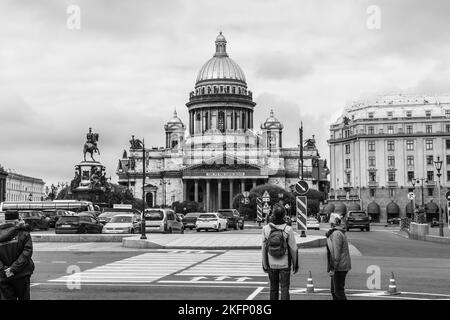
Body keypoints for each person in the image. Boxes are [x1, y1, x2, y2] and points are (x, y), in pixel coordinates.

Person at [262, 204, 299, 300]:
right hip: (285, 264)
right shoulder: (288, 229)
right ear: (284, 215)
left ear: (273, 214)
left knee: (273, 289)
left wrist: (265, 265)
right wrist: (295, 264)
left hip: (271, 264)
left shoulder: (266, 229)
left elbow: (264, 249)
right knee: (284, 288)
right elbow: (293, 248)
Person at [0, 211, 35, 300]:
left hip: (4, 275)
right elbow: (27, 253)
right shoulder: (23, 233)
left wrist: (4, 269)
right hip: (22, 274)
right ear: (17, 220)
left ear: (5, 220)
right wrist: (13, 269)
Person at [326, 215, 351, 300]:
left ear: (332, 223)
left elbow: (336, 253)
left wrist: (333, 268)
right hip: (340, 265)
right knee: (334, 291)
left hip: (340, 267)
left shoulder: (336, 234)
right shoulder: (338, 232)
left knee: (338, 291)